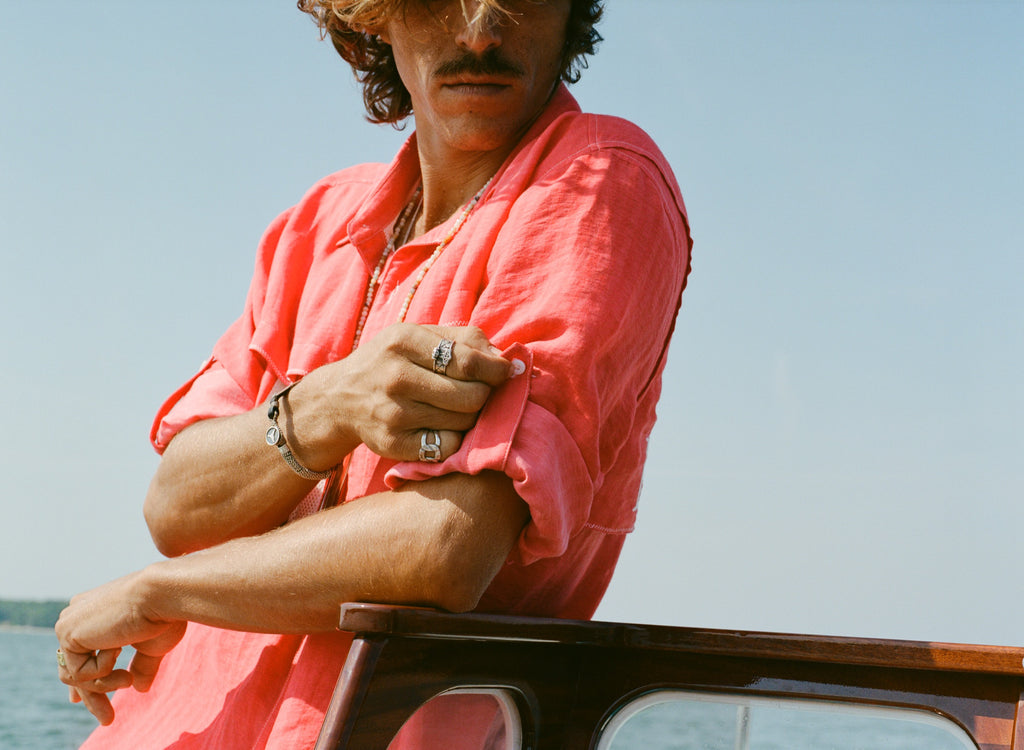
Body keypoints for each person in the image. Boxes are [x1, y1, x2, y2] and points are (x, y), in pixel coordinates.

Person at [55, 0, 692, 747]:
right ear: (370, 16)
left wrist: (162, 593)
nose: (481, 30)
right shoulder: (320, 221)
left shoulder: (596, 180)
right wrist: (329, 405)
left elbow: (443, 547)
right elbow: (176, 505)